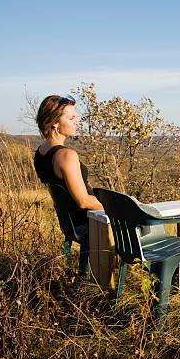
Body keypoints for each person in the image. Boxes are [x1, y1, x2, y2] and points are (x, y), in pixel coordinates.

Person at [33, 95, 103, 274]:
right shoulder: (66, 155)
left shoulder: (41, 153)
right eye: (70, 118)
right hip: (88, 221)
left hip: (70, 223)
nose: (76, 122)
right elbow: (83, 202)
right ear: (54, 123)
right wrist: (120, 205)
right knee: (149, 224)